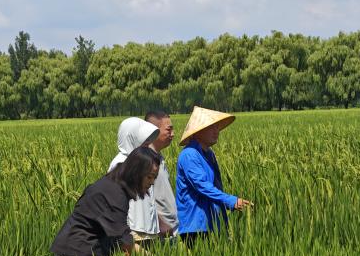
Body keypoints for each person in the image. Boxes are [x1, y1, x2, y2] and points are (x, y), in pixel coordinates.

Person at [51, 147, 160, 256]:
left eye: (154, 178)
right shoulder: (115, 193)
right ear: (136, 173)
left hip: (83, 252)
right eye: (149, 177)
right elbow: (123, 238)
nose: (152, 182)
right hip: (77, 255)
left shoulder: (115, 184)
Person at [175, 106, 252, 247]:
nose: (216, 131)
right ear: (198, 131)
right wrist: (231, 201)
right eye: (211, 127)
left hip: (211, 223)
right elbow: (202, 186)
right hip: (195, 226)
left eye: (217, 127)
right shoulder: (189, 155)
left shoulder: (209, 154)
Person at [108, 117, 161, 247]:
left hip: (148, 228)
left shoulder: (144, 161)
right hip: (133, 230)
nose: (148, 143)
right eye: (144, 139)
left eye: (148, 140)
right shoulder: (120, 163)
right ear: (131, 138)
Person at [144, 110, 178, 238]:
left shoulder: (159, 157)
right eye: (168, 130)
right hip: (162, 231)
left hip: (172, 227)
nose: (173, 134)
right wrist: (160, 224)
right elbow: (143, 198)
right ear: (153, 131)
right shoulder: (145, 160)